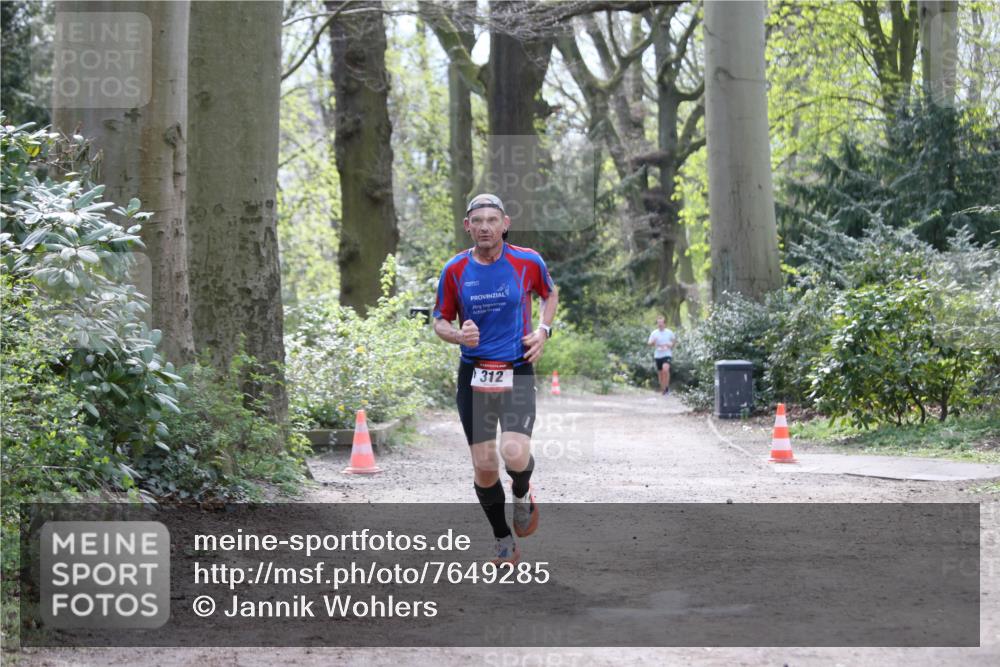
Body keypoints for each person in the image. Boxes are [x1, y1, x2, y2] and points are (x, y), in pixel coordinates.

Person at [433, 193, 559, 564]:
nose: (485, 226)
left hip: (516, 368)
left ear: (505, 223)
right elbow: (440, 320)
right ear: (467, 226)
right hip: (474, 374)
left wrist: (543, 331)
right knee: (485, 465)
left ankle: (522, 493)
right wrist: (457, 335)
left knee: (515, 454)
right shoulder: (455, 270)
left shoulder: (527, 261)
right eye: (478, 220)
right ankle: (503, 538)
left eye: (492, 219)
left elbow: (549, 293)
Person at [647, 316, 676, 395]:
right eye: (658, 323)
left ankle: (666, 388)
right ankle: (663, 388)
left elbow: (674, 342)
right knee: (660, 373)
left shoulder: (669, 332)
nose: (660, 324)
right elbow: (649, 343)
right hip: (658, 355)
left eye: (661, 323)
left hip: (667, 354)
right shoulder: (654, 333)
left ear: (664, 323)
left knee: (665, 370)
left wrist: (669, 345)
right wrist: (654, 342)